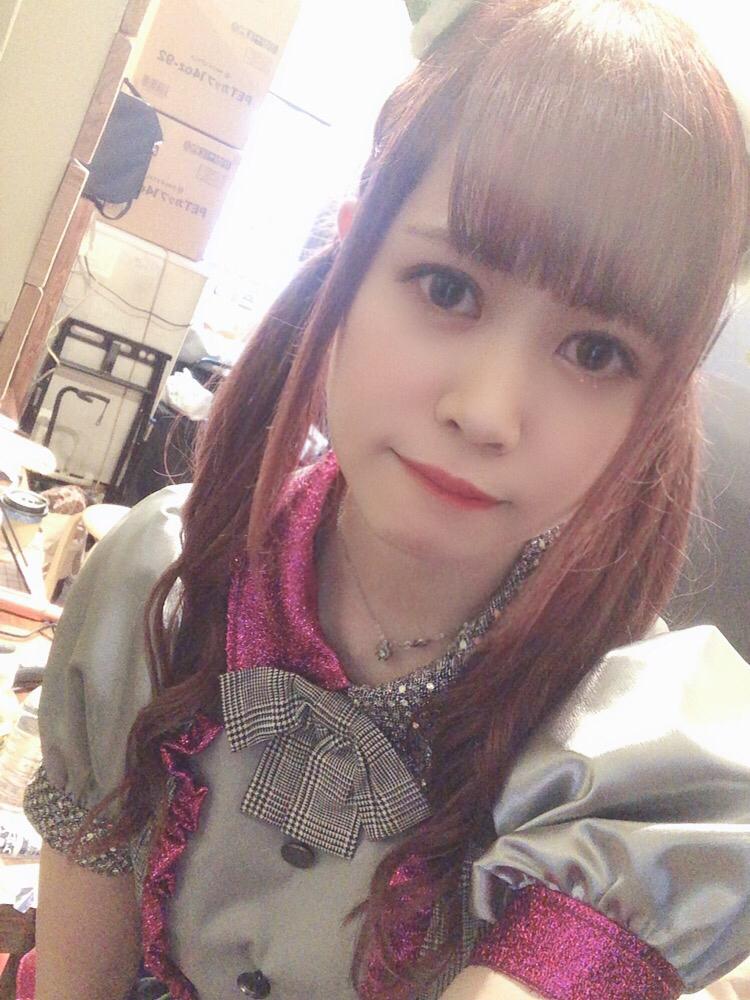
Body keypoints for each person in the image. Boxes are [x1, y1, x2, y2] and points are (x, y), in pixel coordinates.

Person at [20, 0, 750, 998]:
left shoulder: (631, 753)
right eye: (447, 289)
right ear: (352, 260)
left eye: (595, 352)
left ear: (653, 407)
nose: (487, 411)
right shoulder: (160, 582)